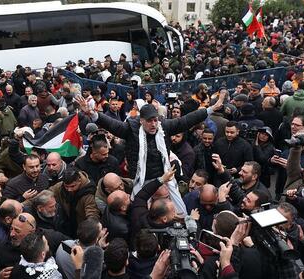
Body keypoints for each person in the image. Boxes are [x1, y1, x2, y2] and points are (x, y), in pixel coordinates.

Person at [76, 92, 225, 215]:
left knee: (179, 210)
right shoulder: (130, 129)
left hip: (164, 176)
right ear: (141, 121)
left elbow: (187, 120)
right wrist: (93, 114)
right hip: (142, 179)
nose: (153, 124)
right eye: (149, 121)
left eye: (155, 120)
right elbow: (111, 124)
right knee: (138, 211)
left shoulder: (164, 126)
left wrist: (211, 109)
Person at [0, 213, 37, 279]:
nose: (12, 234)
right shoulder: (2, 248)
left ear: (31, 232)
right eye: (11, 229)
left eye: (17, 231)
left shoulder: (45, 240)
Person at [49, 167, 100, 238]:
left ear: (79, 180)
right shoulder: (61, 187)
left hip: (82, 226)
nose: (69, 189)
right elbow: (47, 194)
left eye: (73, 186)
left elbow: (92, 213)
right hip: (67, 223)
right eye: (66, 186)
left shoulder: (89, 193)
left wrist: (89, 229)